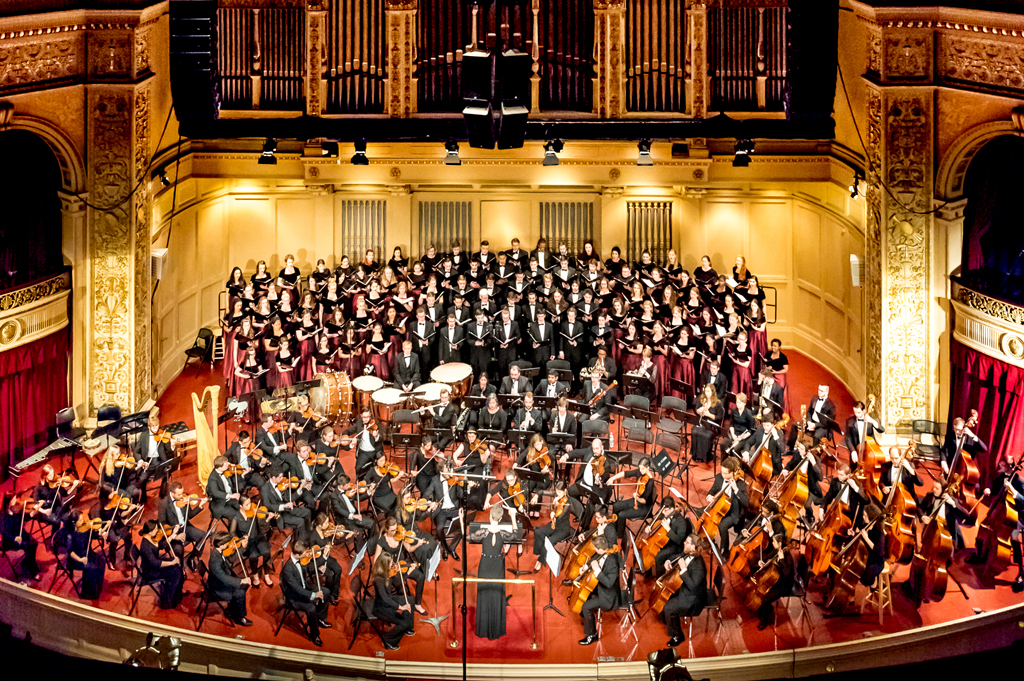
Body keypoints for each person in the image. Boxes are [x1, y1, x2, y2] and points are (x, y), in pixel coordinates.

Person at [467, 504, 517, 640]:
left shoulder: (483, 532)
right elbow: (515, 535)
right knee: (496, 593)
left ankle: (483, 628)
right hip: (498, 565)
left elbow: (468, 537)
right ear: (500, 518)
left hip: (485, 564)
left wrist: (461, 521)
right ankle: (496, 629)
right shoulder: (503, 533)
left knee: (484, 592)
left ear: (490, 517)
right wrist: (513, 517)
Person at [661, 535, 710, 646]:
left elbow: (693, 586)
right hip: (685, 590)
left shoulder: (699, 565)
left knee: (668, 608)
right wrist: (669, 561)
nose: (684, 543)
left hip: (693, 599)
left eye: (687, 542)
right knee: (666, 598)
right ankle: (670, 621)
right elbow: (678, 556)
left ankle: (677, 635)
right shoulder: (690, 553)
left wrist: (683, 570)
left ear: (693, 546)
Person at [281, 540, 329, 647]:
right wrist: (313, 595)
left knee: (326, 591)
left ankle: (319, 619)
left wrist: (322, 561)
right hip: (294, 597)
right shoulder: (288, 569)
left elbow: (312, 568)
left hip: (305, 588)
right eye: (304, 554)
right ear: (297, 555)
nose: (306, 555)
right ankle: (315, 635)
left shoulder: (302, 560)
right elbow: (296, 589)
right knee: (311, 608)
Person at [577, 536, 622, 645]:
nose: (594, 550)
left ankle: (592, 635)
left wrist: (597, 570)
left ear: (600, 549)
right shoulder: (603, 552)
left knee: (586, 607)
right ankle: (587, 620)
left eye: (595, 548)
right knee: (583, 595)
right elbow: (594, 559)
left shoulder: (613, 563)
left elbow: (608, 583)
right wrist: (585, 567)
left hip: (608, 597)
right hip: (600, 587)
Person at [607, 457, 657, 550]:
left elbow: (644, 501)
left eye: (643, 468)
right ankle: (614, 526)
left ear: (648, 468)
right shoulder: (640, 472)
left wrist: (637, 497)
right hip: (637, 500)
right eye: (640, 468)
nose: (640, 470)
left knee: (621, 515)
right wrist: (613, 478)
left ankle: (619, 535)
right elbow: (625, 473)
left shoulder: (650, 482)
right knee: (616, 506)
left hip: (644, 507)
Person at [703, 457, 748, 552]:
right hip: (720, 508)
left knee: (722, 526)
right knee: (702, 513)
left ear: (734, 472)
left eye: (726, 473)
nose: (723, 475)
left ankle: (724, 550)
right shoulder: (719, 477)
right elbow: (712, 490)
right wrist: (709, 496)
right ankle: (708, 540)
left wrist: (736, 490)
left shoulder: (741, 484)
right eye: (722, 472)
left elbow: (746, 502)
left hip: (733, 513)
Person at [208, 532, 253, 626]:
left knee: (244, 585)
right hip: (217, 588)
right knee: (240, 592)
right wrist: (241, 581)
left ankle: (233, 608)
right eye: (228, 543)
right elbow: (224, 578)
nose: (230, 545)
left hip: (222, 581)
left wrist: (242, 548)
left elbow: (230, 560)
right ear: (223, 545)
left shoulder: (218, 551)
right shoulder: (214, 561)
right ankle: (239, 617)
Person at [371, 553, 415, 650]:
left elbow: (399, 583)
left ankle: (408, 628)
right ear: (384, 565)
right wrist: (400, 607)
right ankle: (388, 641)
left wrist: (408, 572)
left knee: (411, 600)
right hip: (381, 607)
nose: (393, 565)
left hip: (389, 600)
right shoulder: (378, 580)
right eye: (390, 563)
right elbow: (385, 599)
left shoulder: (388, 572)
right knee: (403, 623)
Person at [532, 481, 579, 571]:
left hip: (563, 528)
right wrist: (536, 496)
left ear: (565, 491)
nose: (558, 494)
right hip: (554, 524)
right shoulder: (556, 495)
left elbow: (560, 516)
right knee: (538, 532)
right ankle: (541, 553)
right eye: (557, 492)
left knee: (549, 542)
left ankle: (540, 560)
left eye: (560, 492)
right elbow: (541, 492)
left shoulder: (567, 502)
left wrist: (554, 511)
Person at [138, 519, 184, 609]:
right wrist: (171, 562)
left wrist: (173, 535)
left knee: (177, 567)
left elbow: (161, 546)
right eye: (155, 530)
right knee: (175, 572)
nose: (157, 531)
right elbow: (155, 564)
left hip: (153, 566)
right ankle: (167, 602)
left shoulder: (150, 538)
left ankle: (177, 594)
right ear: (150, 532)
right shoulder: (145, 546)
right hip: (149, 572)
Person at [754, 532, 795, 630]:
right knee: (763, 594)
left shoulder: (788, 557)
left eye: (774, 542)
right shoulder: (777, 550)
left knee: (765, 599)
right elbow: (768, 556)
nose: (772, 543)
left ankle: (764, 620)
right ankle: (766, 610)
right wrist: (762, 562)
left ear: (780, 544)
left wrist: (781, 560)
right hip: (777, 579)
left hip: (785, 585)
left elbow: (787, 574)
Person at [1, 493, 41, 581]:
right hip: (10, 540)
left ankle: (27, 562)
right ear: (9, 502)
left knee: (34, 543)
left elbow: (26, 517)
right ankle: (30, 570)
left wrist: (34, 511)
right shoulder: (3, 516)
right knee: (29, 547)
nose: (17, 501)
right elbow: (4, 532)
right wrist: (14, 538)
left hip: (20, 534)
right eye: (14, 499)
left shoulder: (17, 510)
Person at [844, 400, 885, 466]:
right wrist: (852, 451)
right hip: (856, 452)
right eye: (855, 412)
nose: (856, 414)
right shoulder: (850, 421)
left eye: (859, 412)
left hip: (869, 452)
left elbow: (882, 430)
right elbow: (848, 438)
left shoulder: (871, 419)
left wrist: (873, 422)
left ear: (864, 411)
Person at [690, 384, 725, 463]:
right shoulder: (702, 400)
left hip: (712, 425)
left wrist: (709, 414)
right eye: (706, 391)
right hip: (702, 423)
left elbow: (719, 417)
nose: (707, 393)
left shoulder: (718, 403)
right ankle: (696, 455)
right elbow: (696, 410)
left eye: (708, 391)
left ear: (712, 392)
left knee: (705, 434)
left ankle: (705, 456)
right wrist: (699, 411)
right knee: (695, 431)